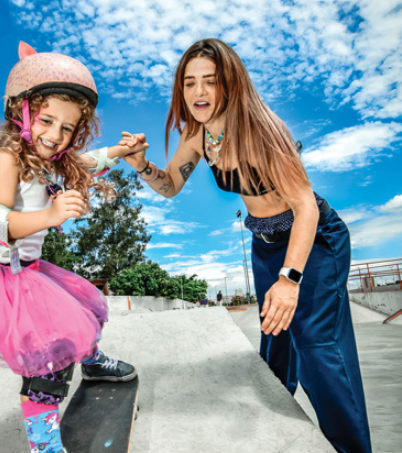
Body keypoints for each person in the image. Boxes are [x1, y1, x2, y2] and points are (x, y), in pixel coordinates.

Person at [123, 38, 371, 453]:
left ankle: (351, 448)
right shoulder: (198, 135)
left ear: (230, 84)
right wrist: (143, 166)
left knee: (316, 347)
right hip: (265, 242)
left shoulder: (262, 128)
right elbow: (170, 186)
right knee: (274, 345)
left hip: (313, 239)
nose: (199, 93)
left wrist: (290, 280)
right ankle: (283, 434)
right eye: (190, 83)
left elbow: (305, 206)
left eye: (211, 82)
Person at [0, 42, 144, 453]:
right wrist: (50, 215)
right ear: (22, 112)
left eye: (67, 128)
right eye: (47, 121)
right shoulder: (5, 159)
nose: (55, 136)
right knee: (48, 359)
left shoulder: (53, 158)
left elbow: (89, 162)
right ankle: (43, 444)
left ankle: (91, 361)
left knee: (80, 312)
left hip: (29, 270)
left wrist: (121, 151)